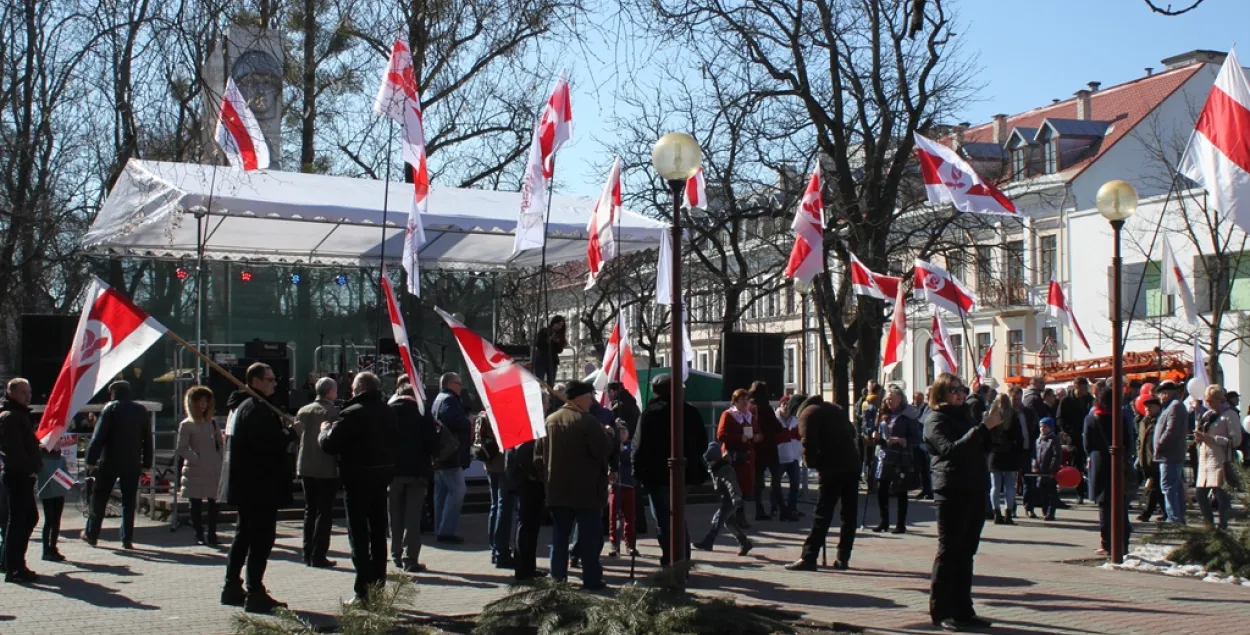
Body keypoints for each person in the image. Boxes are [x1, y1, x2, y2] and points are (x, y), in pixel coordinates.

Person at [925, 372, 1000, 632]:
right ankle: (942, 610)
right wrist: (981, 429)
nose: (959, 393)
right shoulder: (934, 419)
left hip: (974, 488)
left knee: (967, 552)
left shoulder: (965, 415)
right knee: (950, 552)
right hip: (951, 490)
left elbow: (981, 447)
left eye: (962, 389)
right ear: (942, 393)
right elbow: (950, 451)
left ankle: (963, 609)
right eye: (954, 390)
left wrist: (992, 428)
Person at [219, 362, 293, 613]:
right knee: (260, 539)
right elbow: (267, 446)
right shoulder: (255, 409)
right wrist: (290, 434)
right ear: (256, 381)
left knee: (245, 536)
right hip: (260, 486)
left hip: (249, 485)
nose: (274, 384)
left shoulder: (247, 406)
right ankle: (255, 591)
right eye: (270, 380)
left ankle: (232, 586)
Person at [318, 372, 396, 604]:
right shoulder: (388, 412)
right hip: (382, 479)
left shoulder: (351, 414)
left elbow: (331, 444)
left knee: (359, 537)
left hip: (357, 480)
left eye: (352, 388)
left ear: (360, 388)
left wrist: (324, 430)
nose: (350, 392)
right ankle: (378, 587)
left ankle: (363, 591)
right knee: (379, 535)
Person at [534, 381, 615, 590]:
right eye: (588, 397)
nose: (591, 401)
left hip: (557, 490)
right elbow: (602, 450)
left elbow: (538, 457)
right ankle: (592, 579)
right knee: (589, 538)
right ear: (578, 397)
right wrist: (609, 434)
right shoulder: (588, 422)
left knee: (559, 537)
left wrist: (547, 480)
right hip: (586, 491)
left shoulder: (550, 421)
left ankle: (557, 579)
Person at [633, 373, 708, 568]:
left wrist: (637, 471)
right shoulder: (690, 411)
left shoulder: (651, 413)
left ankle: (672, 560)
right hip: (684, 474)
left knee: (664, 519)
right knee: (677, 517)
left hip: (657, 475)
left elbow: (639, 446)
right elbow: (702, 443)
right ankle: (682, 559)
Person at [784, 394, 860, 571]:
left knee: (823, 513)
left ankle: (809, 557)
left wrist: (813, 464)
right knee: (849, 515)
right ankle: (843, 558)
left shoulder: (808, 414)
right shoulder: (834, 408)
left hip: (832, 468)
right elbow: (852, 432)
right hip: (851, 465)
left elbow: (808, 443)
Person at [83, 381, 153, 549]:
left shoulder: (110, 409)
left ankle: (92, 534)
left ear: (113, 393)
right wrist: (147, 463)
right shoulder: (140, 410)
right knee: (128, 502)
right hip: (132, 462)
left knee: (99, 498)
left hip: (109, 461)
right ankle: (127, 538)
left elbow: (98, 437)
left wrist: (91, 460)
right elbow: (148, 439)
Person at [389, 380, 436, 573]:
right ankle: (411, 559)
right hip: (417, 472)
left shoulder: (388, 412)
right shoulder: (422, 413)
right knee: (413, 517)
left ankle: (396, 554)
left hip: (392, 473)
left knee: (394, 515)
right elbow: (433, 443)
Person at [294, 377, 340, 568]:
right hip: (326, 467)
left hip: (305, 466)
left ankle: (307, 552)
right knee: (324, 512)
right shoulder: (332, 412)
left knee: (309, 511)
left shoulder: (303, 410)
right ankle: (319, 554)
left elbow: (298, 435)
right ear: (330, 392)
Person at [0, 378, 41, 583]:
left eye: (29, 392)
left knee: (27, 518)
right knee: (18, 520)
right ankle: (13, 567)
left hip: (22, 474)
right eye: (23, 392)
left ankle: (15, 563)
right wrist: (28, 470)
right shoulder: (11, 417)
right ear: (12, 393)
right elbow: (14, 450)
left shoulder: (19, 415)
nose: (28, 396)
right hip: (18, 475)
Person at [1084, 385, 1132, 557]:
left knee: (1104, 504)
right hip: (1117, 460)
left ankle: (1107, 542)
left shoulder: (1091, 419)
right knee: (1120, 501)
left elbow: (1087, 444)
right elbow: (1128, 440)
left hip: (1099, 462)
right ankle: (1124, 540)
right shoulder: (1120, 418)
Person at [176, 385, 224, 547]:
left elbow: (220, 444)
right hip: (195, 469)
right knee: (195, 503)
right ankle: (198, 533)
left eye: (205, 401)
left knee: (214, 503)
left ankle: (212, 533)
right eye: (199, 401)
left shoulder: (212, 423)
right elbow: (182, 447)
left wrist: (221, 460)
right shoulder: (187, 424)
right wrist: (195, 459)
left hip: (213, 468)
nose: (203, 405)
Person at [873, 388, 922, 534]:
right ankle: (884, 521)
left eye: (892, 398)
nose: (889, 401)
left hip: (900, 457)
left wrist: (902, 440)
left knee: (900, 490)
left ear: (901, 399)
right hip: (884, 456)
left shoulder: (908, 416)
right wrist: (875, 436)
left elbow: (917, 438)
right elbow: (881, 436)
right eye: (887, 399)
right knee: (881, 488)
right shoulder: (883, 415)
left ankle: (900, 524)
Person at [1194, 385, 1241, 529]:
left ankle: (1223, 526)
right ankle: (1209, 525)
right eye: (1206, 400)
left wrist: (1212, 439)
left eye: (1211, 400)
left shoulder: (1230, 414)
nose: (1208, 403)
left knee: (1221, 496)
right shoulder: (1207, 415)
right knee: (1200, 494)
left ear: (1219, 400)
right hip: (1205, 461)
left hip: (1221, 460)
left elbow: (1236, 441)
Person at [432, 372, 471, 543]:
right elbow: (452, 422)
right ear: (449, 384)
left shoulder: (438, 398)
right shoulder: (449, 400)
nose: (460, 387)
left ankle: (440, 528)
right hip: (450, 455)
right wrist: (467, 421)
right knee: (457, 491)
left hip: (441, 455)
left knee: (441, 493)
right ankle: (446, 531)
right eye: (458, 383)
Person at [695, 442, 753, 555]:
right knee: (729, 523)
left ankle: (708, 542)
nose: (709, 463)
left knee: (718, 519)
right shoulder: (715, 468)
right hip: (726, 499)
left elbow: (731, 483)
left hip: (731, 499)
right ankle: (744, 542)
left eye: (710, 460)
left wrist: (735, 496)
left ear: (716, 458)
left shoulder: (725, 469)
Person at [475, 411, 513, 568]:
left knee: (495, 505)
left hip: (490, 463)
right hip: (502, 462)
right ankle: (501, 551)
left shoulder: (484, 413)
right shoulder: (502, 413)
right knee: (504, 506)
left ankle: (495, 549)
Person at [507, 431, 546, 582]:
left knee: (530, 526)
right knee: (526, 525)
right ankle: (524, 569)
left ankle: (528, 568)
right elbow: (523, 456)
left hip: (527, 483)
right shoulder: (526, 433)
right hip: (529, 485)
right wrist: (536, 475)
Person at [717, 389, 758, 528]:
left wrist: (758, 437)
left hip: (746, 457)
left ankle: (738, 516)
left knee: (744, 488)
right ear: (735, 401)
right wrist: (738, 438)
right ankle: (732, 518)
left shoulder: (750, 416)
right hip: (733, 457)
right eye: (742, 400)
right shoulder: (728, 415)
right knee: (734, 489)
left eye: (747, 399)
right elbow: (721, 435)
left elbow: (757, 431)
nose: (745, 402)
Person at [1152, 380, 1188, 525]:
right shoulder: (1171, 407)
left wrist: (1160, 445)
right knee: (1173, 487)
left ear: (1165, 393)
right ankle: (1177, 517)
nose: (1159, 398)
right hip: (1168, 455)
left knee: (1169, 487)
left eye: (1160, 394)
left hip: (1170, 455)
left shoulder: (1175, 407)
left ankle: (1174, 518)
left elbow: (1171, 430)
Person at [988, 393, 1026, 525]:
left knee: (995, 486)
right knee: (1010, 485)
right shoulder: (1014, 415)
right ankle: (1008, 513)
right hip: (1010, 453)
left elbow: (985, 436)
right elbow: (1020, 437)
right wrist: (1019, 452)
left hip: (994, 453)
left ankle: (996, 513)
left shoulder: (991, 415)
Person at [748, 382, 784, 521]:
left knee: (758, 480)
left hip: (757, 447)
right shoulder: (766, 408)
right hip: (769, 447)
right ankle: (781, 508)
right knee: (776, 479)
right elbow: (777, 427)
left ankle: (759, 508)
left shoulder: (750, 407)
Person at [1058, 377, 1093, 503]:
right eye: (1083, 388)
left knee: (1088, 465)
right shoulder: (1066, 400)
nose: (1086, 390)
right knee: (1077, 465)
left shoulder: (1089, 400)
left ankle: (1089, 491)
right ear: (1077, 387)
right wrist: (1067, 432)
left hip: (1088, 435)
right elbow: (1060, 418)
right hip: (1074, 437)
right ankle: (1080, 493)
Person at [607, 417, 638, 558]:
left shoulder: (631, 446)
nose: (621, 434)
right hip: (615, 485)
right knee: (613, 516)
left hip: (628, 484)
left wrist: (621, 451)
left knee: (629, 516)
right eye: (619, 432)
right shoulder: (612, 446)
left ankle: (630, 543)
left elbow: (629, 459)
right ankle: (614, 543)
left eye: (624, 431)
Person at [35, 444, 67, 562]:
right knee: (49, 520)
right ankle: (46, 549)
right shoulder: (42, 459)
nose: (59, 444)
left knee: (56, 520)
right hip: (47, 492)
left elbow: (65, 473)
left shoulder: (61, 458)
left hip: (59, 492)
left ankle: (53, 547)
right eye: (56, 442)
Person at [776, 394, 805, 521]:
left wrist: (800, 452)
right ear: (780, 405)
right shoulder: (775, 420)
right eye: (784, 404)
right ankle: (776, 508)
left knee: (795, 484)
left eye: (788, 404)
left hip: (793, 457)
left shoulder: (795, 421)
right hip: (780, 457)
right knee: (776, 484)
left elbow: (799, 438)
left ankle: (792, 508)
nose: (786, 407)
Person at [1135, 396, 1164, 523]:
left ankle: (1147, 513)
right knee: (1156, 487)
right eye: (1146, 406)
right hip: (1144, 459)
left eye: (1151, 406)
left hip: (1156, 460)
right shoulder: (1143, 421)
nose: (1147, 409)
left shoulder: (1160, 421)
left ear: (1158, 407)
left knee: (1155, 487)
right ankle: (1164, 511)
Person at [1034, 418, 1062, 521]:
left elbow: (1056, 456)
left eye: (1045, 427)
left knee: (1051, 492)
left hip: (1050, 471)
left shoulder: (1054, 439)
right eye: (1041, 427)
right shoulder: (1039, 439)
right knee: (1042, 492)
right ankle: (1045, 510)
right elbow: (1036, 455)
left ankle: (1050, 513)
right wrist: (1035, 466)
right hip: (1041, 471)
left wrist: (1052, 470)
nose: (1042, 429)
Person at [532, 315, 568, 386]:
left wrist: (558, 343)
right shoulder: (544, 331)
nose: (559, 327)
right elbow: (539, 344)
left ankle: (550, 396)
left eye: (561, 325)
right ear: (553, 323)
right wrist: (550, 340)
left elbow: (559, 350)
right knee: (539, 382)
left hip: (552, 361)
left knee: (551, 383)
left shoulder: (560, 335)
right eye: (558, 324)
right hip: (541, 360)